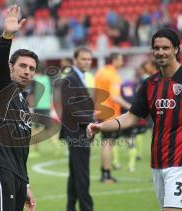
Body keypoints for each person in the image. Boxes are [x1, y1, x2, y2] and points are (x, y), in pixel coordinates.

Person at [87, 28, 182, 211]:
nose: (160, 52)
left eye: (166, 48)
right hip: (158, 164)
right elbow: (131, 117)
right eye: (156, 48)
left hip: (179, 164)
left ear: (176, 49)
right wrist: (101, 126)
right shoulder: (150, 84)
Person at [0, 5, 37, 211]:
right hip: (0, 168)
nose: (27, 71)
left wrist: (26, 182)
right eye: (22, 66)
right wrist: (6, 37)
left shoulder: (23, 100)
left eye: (31, 68)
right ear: (11, 67)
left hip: (18, 176)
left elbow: (22, 149)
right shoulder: (3, 87)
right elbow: (0, 62)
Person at [59, 47, 94, 211]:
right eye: (83, 59)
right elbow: (69, 107)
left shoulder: (81, 78)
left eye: (89, 59)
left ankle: (70, 207)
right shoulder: (70, 79)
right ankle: (87, 208)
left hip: (78, 131)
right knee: (82, 174)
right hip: (76, 132)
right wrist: (92, 119)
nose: (87, 62)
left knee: (75, 174)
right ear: (75, 60)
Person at [94, 53, 130, 183]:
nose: (122, 62)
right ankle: (106, 175)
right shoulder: (113, 75)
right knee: (108, 144)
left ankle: (104, 172)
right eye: (121, 59)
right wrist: (130, 106)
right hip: (110, 114)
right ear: (114, 60)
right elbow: (115, 97)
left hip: (100, 111)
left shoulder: (100, 72)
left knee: (106, 143)